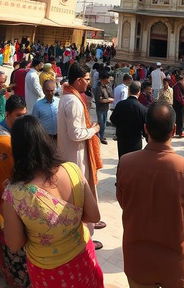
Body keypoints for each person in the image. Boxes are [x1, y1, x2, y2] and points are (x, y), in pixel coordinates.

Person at [116, 102, 184, 288]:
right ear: (174, 130)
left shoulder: (125, 163)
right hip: (178, 264)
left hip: (139, 262)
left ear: (146, 129)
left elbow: (124, 202)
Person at [1, 116, 103, 287]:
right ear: (45, 140)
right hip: (83, 257)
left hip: (50, 271)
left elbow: (14, 243)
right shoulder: (72, 169)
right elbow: (94, 215)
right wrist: (69, 223)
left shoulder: (14, 194)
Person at [57, 64, 104, 249]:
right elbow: (76, 134)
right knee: (80, 195)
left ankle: (91, 223)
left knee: (83, 192)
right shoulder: (73, 102)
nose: (88, 82)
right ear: (78, 81)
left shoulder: (67, 97)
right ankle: (87, 236)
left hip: (73, 154)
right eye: (86, 79)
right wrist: (93, 129)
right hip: (75, 157)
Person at [0, 96, 28, 288]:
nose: (21, 120)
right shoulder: (6, 142)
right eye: (18, 116)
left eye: (24, 115)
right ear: (7, 114)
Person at [110, 81, 147, 158]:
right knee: (134, 164)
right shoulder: (142, 109)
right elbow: (145, 127)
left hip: (122, 138)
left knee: (123, 160)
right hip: (135, 140)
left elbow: (113, 119)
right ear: (139, 92)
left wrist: (120, 126)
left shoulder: (120, 104)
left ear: (129, 91)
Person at [93, 71, 113, 145]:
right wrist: (108, 100)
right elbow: (100, 100)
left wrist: (107, 100)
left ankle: (101, 136)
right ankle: (99, 137)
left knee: (104, 123)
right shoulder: (98, 88)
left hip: (106, 108)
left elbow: (111, 96)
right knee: (101, 124)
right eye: (108, 78)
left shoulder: (108, 87)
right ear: (103, 79)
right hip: (100, 108)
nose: (109, 80)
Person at [172, 73, 184, 138]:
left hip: (182, 104)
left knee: (182, 118)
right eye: (181, 80)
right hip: (178, 104)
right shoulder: (176, 87)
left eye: (183, 80)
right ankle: (179, 132)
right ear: (178, 80)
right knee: (179, 118)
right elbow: (178, 97)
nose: (182, 81)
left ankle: (180, 131)